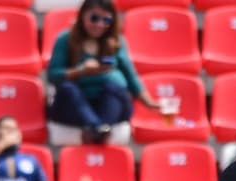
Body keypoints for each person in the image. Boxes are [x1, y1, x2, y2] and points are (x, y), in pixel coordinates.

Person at [46, 0, 161, 143]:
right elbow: (53, 75)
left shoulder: (116, 41)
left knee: (114, 89)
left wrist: (150, 103)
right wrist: (81, 71)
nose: (100, 24)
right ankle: (99, 128)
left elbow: (130, 76)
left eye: (106, 20)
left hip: (110, 105)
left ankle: (96, 128)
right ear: (82, 15)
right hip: (77, 107)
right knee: (67, 89)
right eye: (94, 18)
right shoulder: (66, 39)